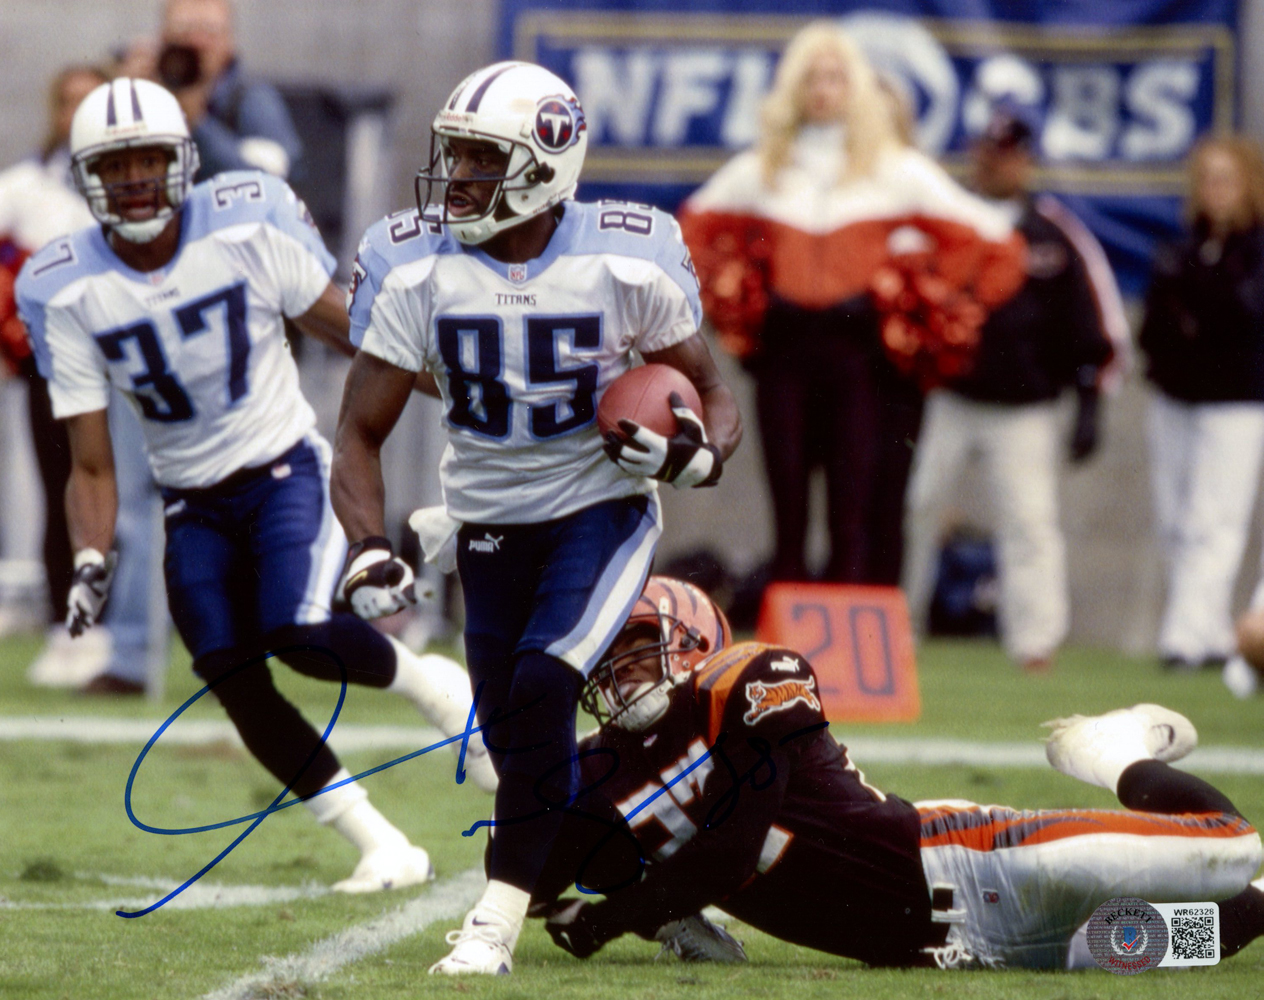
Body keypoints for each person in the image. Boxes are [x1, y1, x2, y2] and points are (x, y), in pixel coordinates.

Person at [15, 78, 494, 894]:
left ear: (182, 163)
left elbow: (350, 329)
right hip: (190, 500)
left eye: (148, 161)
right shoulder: (62, 285)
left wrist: (465, 388)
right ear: (87, 176)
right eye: (115, 165)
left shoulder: (242, 222)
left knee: (297, 631)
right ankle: (380, 842)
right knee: (230, 674)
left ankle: (433, 686)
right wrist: (91, 556)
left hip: (282, 472)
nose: (133, 180)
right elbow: (90, 462)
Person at [330, 61, 742, 974]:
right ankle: (646, 885)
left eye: (482, 156)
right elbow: (357, 433)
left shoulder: (627, 257)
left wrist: (694, 457)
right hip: (485, 522)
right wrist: (364, 547)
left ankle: (492, 926)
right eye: (457, 154)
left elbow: (712, 392)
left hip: (599, 508)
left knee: (543, 687)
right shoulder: (413, 264)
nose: (459, 176)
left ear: (547, 163)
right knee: (523, 744)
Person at [533, 577, 1264, 970]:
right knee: (1212, 934)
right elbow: (532, 868)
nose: (619, 676)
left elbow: (726, 849)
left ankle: (1109, 750)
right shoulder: (603, 767)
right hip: (955, 952)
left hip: (977, 862)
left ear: (695, 642)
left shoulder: (747, 680)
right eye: (607, 663)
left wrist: (609, 917)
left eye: (634, 651)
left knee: (1233, 848)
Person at [678, 21, 1024, 585]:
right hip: (783, 352)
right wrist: (729, 302)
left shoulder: (894, 168)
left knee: (852, 508)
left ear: (856, 87)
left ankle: (849, 645)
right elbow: (687, 232)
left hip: (858, 356)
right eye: (811, 77)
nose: (823, 89)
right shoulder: (762, 168)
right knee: (787, 504)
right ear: (792, 87)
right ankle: (782, 649)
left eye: (836, 77)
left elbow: (996, 244)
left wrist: (934, 304)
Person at [901, 107, 1120, 671]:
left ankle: (1035, 641)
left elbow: (1093, 324)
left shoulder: (1052, 232)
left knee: (1029, 521)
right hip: (952, 396)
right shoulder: (950, 223)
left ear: (1026, 159)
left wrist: (1089, 402)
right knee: (922, 506)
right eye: (989, 152)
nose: (997, 164)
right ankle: (901, 627)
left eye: (1009, 154)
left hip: (1024, 405)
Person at [0, 63, 163, 693]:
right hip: (53, 362)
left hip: (122, 360)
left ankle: (119, 628)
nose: (75, 113)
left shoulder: (137, 188)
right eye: (66, 101)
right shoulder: (24, 185)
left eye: (87, 101)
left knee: (125, 496)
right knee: (63, 488)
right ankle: (65, 623)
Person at [1138, 135, 1264, 673]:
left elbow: (1238, 317)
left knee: (1214, 519)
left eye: (1225, 178)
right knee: (1175, 518)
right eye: (1205, 177)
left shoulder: (1254, 251)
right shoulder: (1184, 245)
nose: (1213, 190)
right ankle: (1208, 630)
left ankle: (1185, 638)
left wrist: (1193, 295)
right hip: (1177, 395)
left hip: (1234, 400)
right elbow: (1156, 324)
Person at [153, 0, 301, 179]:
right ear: (163, 39)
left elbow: (278, 179)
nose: (196, 43)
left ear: (229, 41)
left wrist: (196, 122)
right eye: (184, 31)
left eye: (209, 32)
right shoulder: (146, 88)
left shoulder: (253, 99)